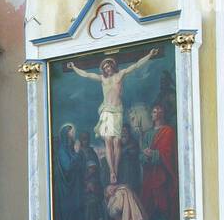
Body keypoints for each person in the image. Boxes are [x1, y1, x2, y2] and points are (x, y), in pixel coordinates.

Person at [65, 48, 159, 184]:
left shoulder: (120, 75)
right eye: (105, 67)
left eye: (108, 66)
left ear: (113, 66)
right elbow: (86, 75)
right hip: (106, 111)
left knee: (116, 142)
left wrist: (149, 54)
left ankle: (115, 168)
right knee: (108, 141)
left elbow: (136, 65)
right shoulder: (102, 78)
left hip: (117, 111)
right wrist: (74, 67)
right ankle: (112, 172)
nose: (107, 68)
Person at [141, 101, 179, 220]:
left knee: (161, 197)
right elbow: (141, 154)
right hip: (150, 172)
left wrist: (154, 154)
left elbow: (168, 152)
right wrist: (145, 155)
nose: (155, 113)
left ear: (163, 114)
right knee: (149, 198)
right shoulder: (147, 134)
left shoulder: (168, 131)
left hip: (162, 172)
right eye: (154, 111)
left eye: (158, 111)